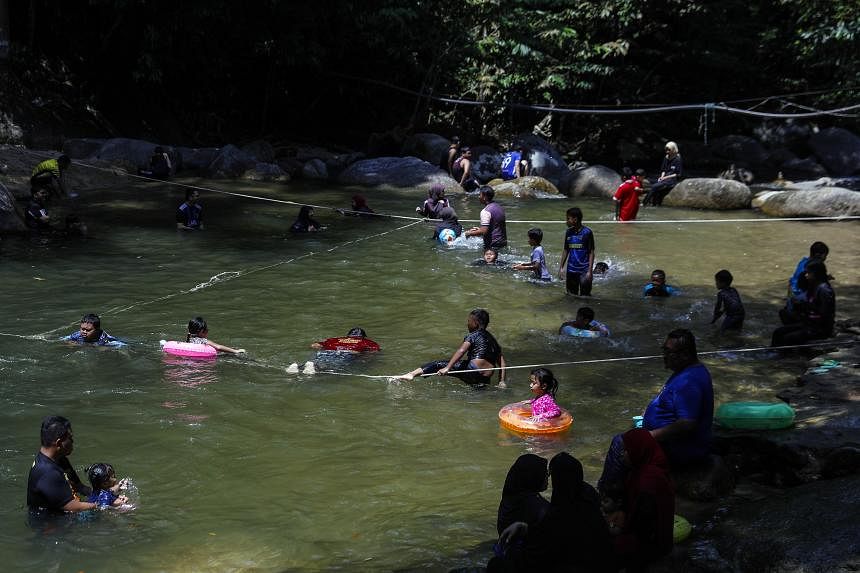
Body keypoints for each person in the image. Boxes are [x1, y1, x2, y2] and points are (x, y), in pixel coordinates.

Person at [599, 329, 713, 489]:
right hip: (672, 442)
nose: (664, 355)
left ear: (685, 354)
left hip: (682, 449)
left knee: (620, 443)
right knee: (627, 442)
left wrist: (649, 436)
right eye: (663, 350)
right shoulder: (685, 371)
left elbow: (687, 423)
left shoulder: (690, 381)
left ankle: (608, 494)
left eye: (668, 351)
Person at [491, 452, 613, 573]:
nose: (548, 477)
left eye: (551, 474)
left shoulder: (547, 512)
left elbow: (540, 553)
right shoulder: (587, 494)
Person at [611, 429, 675, 571]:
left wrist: (617, 530)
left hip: (651, 544)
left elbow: (643, 530)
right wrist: (623, 511)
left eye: (626, 450)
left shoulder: (647, 482)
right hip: (655, 536)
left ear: (638, 450)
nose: (623, 454)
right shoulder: (646, 467)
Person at [397, 308, 506, 386]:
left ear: (476, 323)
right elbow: (502, 363)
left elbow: (461, 350)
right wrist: (501, 381)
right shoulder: (493, 340)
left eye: (469, 321)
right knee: (477, 392)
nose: (467, 324)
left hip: (472, 370)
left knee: (437, 364)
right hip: (485, 377)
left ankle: (411, 374)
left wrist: (447, 368)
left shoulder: (473, 335)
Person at [27, 415, 97, 514]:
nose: (73, 442)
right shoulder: (47, 472)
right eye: (70, 438)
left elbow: (80, 487)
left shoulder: (60, 459)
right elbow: (74, 507)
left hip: (64, 511)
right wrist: (103, 503)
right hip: (49, 524)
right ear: (59, 443)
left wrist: (107, 494)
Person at [772, 259, 835, 348]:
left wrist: (805, 306)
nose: (806, 275)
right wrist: (800, 305)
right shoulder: (814, 286)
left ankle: (784, 356)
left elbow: (825, 314)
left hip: (819, 328)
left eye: (808, 273)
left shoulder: (824, 290)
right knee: (778, 332)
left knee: (787, 338)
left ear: (816, 273)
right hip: (809, 323)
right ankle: (772, 352)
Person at [496, 454, 550, 536]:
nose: (548, 476)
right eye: (545, 473)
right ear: (534, 477)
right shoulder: (539, 508)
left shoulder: (510, 498)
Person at [782, 241, 829, 323]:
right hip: (799, 303)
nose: (825, 258)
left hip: (792, 301)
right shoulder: (811, 269)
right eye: (825, 256)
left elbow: (791, 282)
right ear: (819, 255)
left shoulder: (803, 262)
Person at [557, 207, 595, 296]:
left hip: (584, 271)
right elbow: (566, 250)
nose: (566, 221)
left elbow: (591, 252)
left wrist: (590, 271)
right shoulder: (568, 232)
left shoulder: (587, 232)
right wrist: (561, 268)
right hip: (571, 270)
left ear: (575, 219)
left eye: (568, 219)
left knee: (585, 296)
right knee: (570, 296)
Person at [465, 186, 507, 250]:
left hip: (492, 245)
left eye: (480, 195)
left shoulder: (485, 211)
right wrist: (479, 229)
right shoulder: (499, 207)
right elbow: (495, 226)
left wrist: (469, 233)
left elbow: (483, 231)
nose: (479, 197)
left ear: (484, 197)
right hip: (503, 242)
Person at [643, 141, 682, 206]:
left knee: (654, 187)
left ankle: (644, 203)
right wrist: (662, 177)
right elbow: (663, 170)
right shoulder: (666, 157)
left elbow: (677, 174)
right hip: (664, 178)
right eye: (666, 150)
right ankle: (654, 204)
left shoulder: (678, 159)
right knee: (654, 184)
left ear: (673, 149)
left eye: (669, 150)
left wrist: (665, 177)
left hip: (672, 179)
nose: (667, 152)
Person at [311, 327, 380, 353]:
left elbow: (314, 345)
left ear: (348, 335)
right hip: (349, 353)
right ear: (363, 336)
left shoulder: (335, 339)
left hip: (328, 351)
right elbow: (374, 351)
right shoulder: (368, 342)